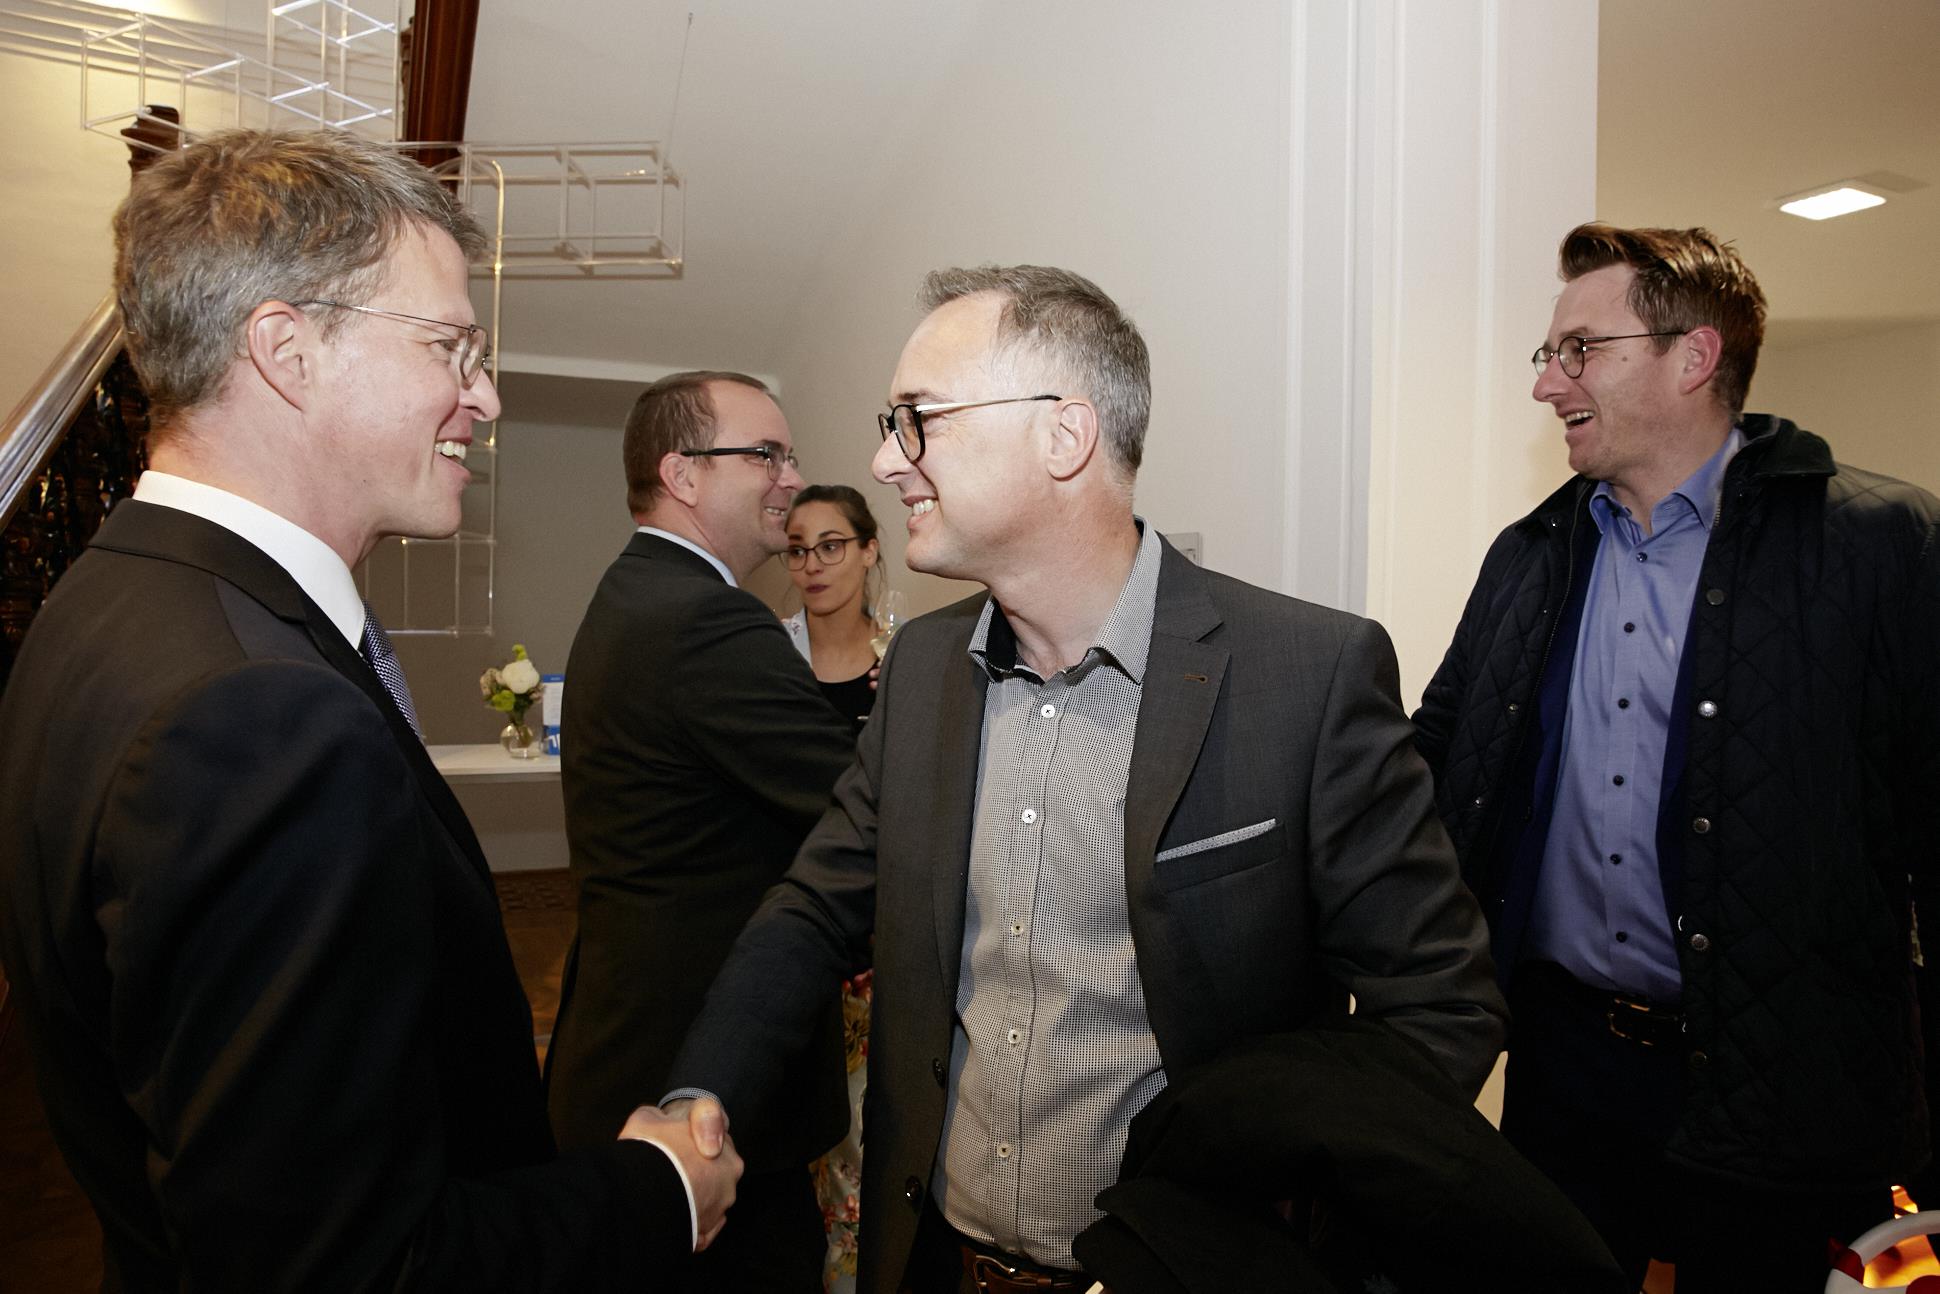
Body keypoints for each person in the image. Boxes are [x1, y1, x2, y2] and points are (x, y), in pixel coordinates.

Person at [668, 264, 1507, 1294]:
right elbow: (811, 909)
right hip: (934, 1263)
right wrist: (696, 1100)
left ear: (1063, 435)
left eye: (917, 419)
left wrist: (1275, 1230)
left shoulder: (1305, 675)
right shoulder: (925, 668)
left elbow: (1438, 1007)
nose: (887, 459)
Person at [0, 128, 739, 1292]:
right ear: (287, 350)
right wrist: (654, 1189)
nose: (484, 396)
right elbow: (347, 1264)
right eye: (450, 347)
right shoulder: (252, 718)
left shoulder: (104, 600)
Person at [1412, 222, 1938, 1288]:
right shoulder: (1529, 556)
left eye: (1579, 350)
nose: (1546, 383)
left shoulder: (1878, 544)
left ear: (1692, 355)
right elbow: (1437, 756)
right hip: (1563, 1072)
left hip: (1784, 1085)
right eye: (1547, 354)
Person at [546, 371, 857, 1292]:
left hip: (634, 1047)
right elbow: (854, 798)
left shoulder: (639, 592)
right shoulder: (704, 617)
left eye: (790, 456)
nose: (790, 477)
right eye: (765, 455)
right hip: (696, 1079)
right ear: (682, 473)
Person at [781, 484, 886, 734]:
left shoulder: (904, 649)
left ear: (868, 552)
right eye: (797, 551)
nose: (811, 566)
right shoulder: (773, 652)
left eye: (829, 546)